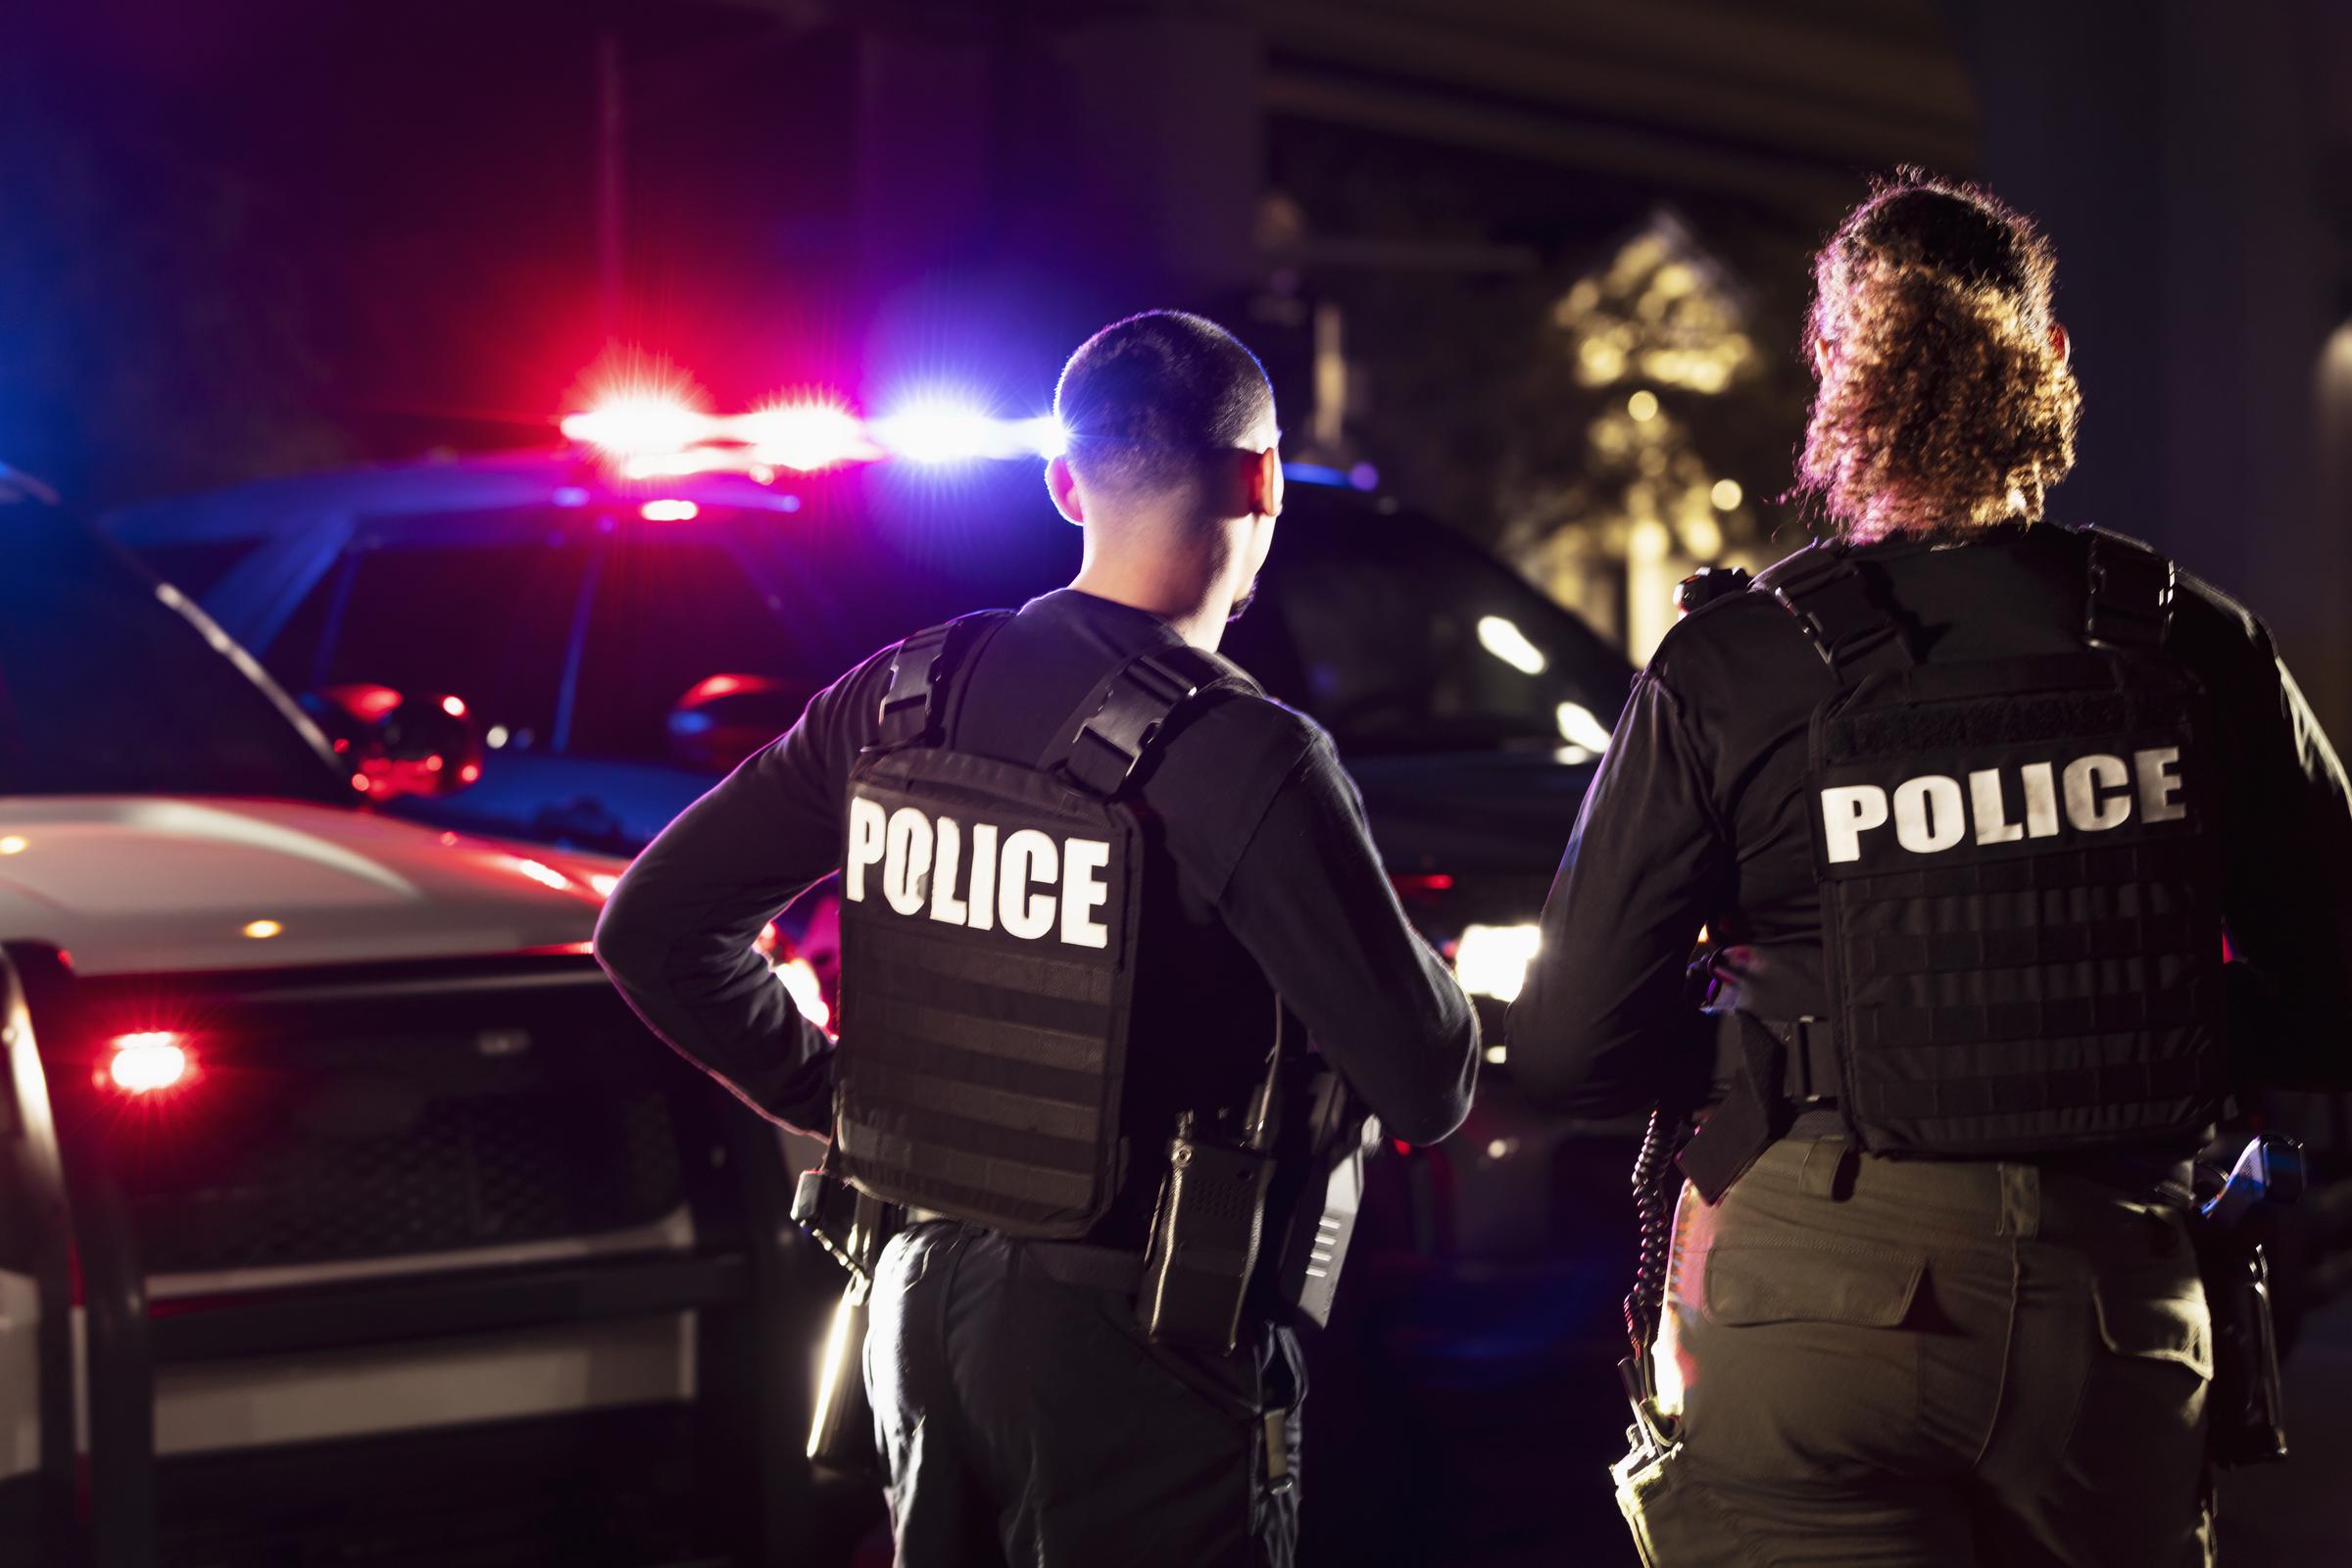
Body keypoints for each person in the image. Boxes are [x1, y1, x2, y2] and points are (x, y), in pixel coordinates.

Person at [1509, 172, 2352, 1566]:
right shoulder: (2193, 646)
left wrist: (1772, 1042)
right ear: (2051, 366)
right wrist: (2125, 1032)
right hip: (2111, 1296)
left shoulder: (1736, 667)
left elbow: (1567, 1049)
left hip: (1804, 1292)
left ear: (1835, 374)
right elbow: (2334, 993)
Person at [596, 310, 1478, 1567]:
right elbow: (1425, 1079)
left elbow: (655, 928)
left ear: (1065, 482)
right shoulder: (1248, 752)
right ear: (1262, 478)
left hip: (910, 1310)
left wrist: (841, 1097)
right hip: (1141, 1346)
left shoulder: (904, 693)